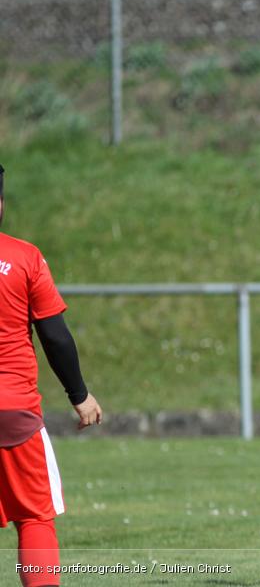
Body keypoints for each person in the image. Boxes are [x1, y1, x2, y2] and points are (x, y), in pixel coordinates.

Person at [0, 163, 103, 587]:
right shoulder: (24, 256)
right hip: (16, 412)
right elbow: (55, 336)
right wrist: (79, 394)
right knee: (35, 515)